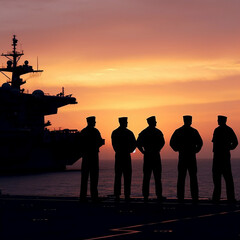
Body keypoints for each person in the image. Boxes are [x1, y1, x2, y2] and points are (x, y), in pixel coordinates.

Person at [170, 115, 203, 203]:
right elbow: (200, 143)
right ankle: (194, 197)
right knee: (192, 178)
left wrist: (177, 149)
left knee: (181, 178)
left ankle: (181, 197)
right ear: (190, 121)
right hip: (191, 157)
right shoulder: (194, 131)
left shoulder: (178, 131)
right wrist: (196, 150)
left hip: (183, 157)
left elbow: (172, 143)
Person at [137, 116, 165, 202]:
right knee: (157, 177)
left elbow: (138, 143)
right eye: (155, 121)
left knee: (147, 177)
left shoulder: (144, 132)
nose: (156, 123)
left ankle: (146, 196)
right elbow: (162, 142)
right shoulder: (158, 132)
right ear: (152, 122)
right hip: (155, 156)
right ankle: (158, 195)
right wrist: (157, 149)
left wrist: (143, 151)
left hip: (148, 156)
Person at [212, 115, 238, 203]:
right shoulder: (227, 130)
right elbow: (235, 142)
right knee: (225, 179)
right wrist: (229, 147)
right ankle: (229, 198)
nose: (217, 121)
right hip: (223, 157)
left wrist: (228, 148)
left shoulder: (218, 130)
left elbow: (235, 142)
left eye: (218, 120)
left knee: (219, 179)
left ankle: (217, 198)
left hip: (219, 157)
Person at [80, 116, 105, 202]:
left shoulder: (83, 131)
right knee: (94, 178)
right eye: (94, 121)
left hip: (86, 156)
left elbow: (80, 144)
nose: (95, 123)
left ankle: (82, 197)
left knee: (84, 178)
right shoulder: (95, 131)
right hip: (93, 156)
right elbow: (100, 141)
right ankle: (94, 197)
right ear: (91, 122)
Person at [111, 117, 136, 201]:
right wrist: (129, 150)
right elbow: (134, 144)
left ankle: (117, 194)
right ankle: (127, 194)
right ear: (124, 123)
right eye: (126, 122)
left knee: (118, 176)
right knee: (127, 176)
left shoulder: (115, 132)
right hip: (126, 156)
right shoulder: (129, 133)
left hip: (118, 156)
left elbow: (114, 145)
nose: (127, 123)